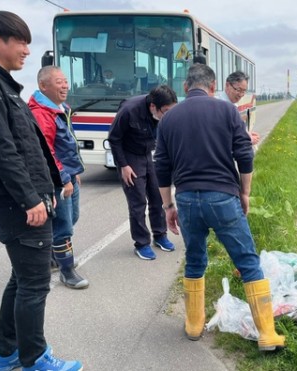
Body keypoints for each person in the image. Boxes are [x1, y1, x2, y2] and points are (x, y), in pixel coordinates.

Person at [0, 11, 82, 371]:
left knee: (22, 279)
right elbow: (1, 149)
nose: (27, 49)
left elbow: (31, 146)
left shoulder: (3, 85)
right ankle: (34, 359)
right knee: (35, 285)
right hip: (17, 205)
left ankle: (8, 351)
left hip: (29, 201)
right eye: (20, 41)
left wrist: (54, 185)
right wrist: (30, 199)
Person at [154, 64, 285, 352]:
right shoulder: (227, 111)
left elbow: (161, 167)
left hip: (187, 200)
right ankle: (267, 335)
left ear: (186, 88)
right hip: (223, 197)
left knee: (195, 260)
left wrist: (168, 206)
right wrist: (245, 193)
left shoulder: (168, 119)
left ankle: (193, 325)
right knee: (247, 262)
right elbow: (244, 153)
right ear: (214, 87)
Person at [28, 65, 89, 290]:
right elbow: (47, 151)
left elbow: (68, 145)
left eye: (65, 80)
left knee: (71, 218)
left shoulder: (60, 108)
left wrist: (74, 173)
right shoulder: (41, 113)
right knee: (64, 225)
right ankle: (67, 270)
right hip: (56, 179)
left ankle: (53, 255)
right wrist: (64, 178)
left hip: (68, 176)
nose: (64, 85)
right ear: (43, 86)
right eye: (58, 82)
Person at [108, 85, 177, 260]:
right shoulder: (129, 110)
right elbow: (114, 139)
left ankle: (160, 235)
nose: (168, 115)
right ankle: (141, 243)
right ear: (153, 106)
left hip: (149, 153)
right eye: (166, 111)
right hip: (130, 157)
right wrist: (123, 165)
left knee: (158, 196)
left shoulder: (161, 113)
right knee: (138, 201)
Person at [220, 71, 261, 145]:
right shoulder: (220, 106)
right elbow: (223, 136)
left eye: (244, 91)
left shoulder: (233, 104)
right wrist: (247, 140)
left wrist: (246, 134)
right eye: (238, 90)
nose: (241, 95)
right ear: (227, 85)